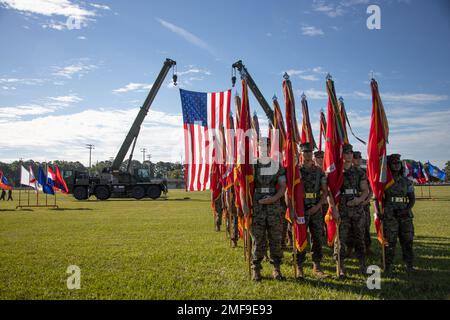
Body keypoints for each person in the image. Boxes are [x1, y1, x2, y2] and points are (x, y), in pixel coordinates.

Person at [241, 138, 287, 282]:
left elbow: (283, 186)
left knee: (275, 238)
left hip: (274, 206)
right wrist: (245, 205)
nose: (263, 148)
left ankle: (276, 269)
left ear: (269, 147)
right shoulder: (252, 166)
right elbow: (244, 187)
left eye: (266, 146)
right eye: (260, 146)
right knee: (258, 238)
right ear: (257, 148)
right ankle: (256, 268)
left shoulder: (277, 165)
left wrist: (273, 199)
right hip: (257, 206)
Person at [376, 154, 416, 274]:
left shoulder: (407, 182)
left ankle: (409, 264)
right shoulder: (384, 182)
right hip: (390, 215)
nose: (396, 165)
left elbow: (412, 199)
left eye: (398, 163)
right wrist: (379, 212)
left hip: (405, 215)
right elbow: (377, 198)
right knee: (389, 241)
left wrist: (407, 210)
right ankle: (387, 265)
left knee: (407, 240)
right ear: (388, 166)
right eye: (394, 163)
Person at [334, 144, 369, 277]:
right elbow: (330, 193)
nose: (348, 155)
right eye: (346, 153)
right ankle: (340, 266)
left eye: (350, 153)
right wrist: (334, 209)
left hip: (357, 211)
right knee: (341, 240)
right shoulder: (335, 172)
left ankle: (362, 265)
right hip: (342, 210)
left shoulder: (359, 172)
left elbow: (365, 191)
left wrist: (358, 201)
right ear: (341, 155)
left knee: (360, 238)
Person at [295, 143, 329, 279]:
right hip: (300, 209)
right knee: (301, 236)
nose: (308, 154)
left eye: (310, 151)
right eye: (305, 152)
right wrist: (293, 209)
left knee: (317, 237)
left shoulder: (319, 171)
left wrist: (318, 206)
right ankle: (299, 266)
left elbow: (325, 191)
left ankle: (317, 266)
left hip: (315, 208)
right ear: (301, 153)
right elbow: (290, 192)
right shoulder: (296, 171)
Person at [352, 151, 373, 256]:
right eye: (356, 158)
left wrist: (366, 201)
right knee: (353, 228)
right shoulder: (347, 172)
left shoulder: (365, 172)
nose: (358, 159)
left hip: (364, 205)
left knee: (366, 227)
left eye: (360, 157)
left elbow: (371, 190)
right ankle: (351, 248)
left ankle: (367, 247)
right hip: (353, 204)